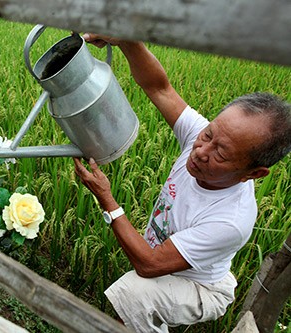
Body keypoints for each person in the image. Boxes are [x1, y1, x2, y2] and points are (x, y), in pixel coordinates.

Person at [73, 34, 291, 332]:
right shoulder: (202, 136)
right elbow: (158, 87)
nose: (201, 152)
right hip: (170, 261)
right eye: (208, 134)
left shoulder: (231, 220)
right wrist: (126, 40)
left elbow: (148, 264)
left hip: (201, 287)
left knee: (135, 295)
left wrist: (107, 199)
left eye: (221, 154)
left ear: (253, 173)